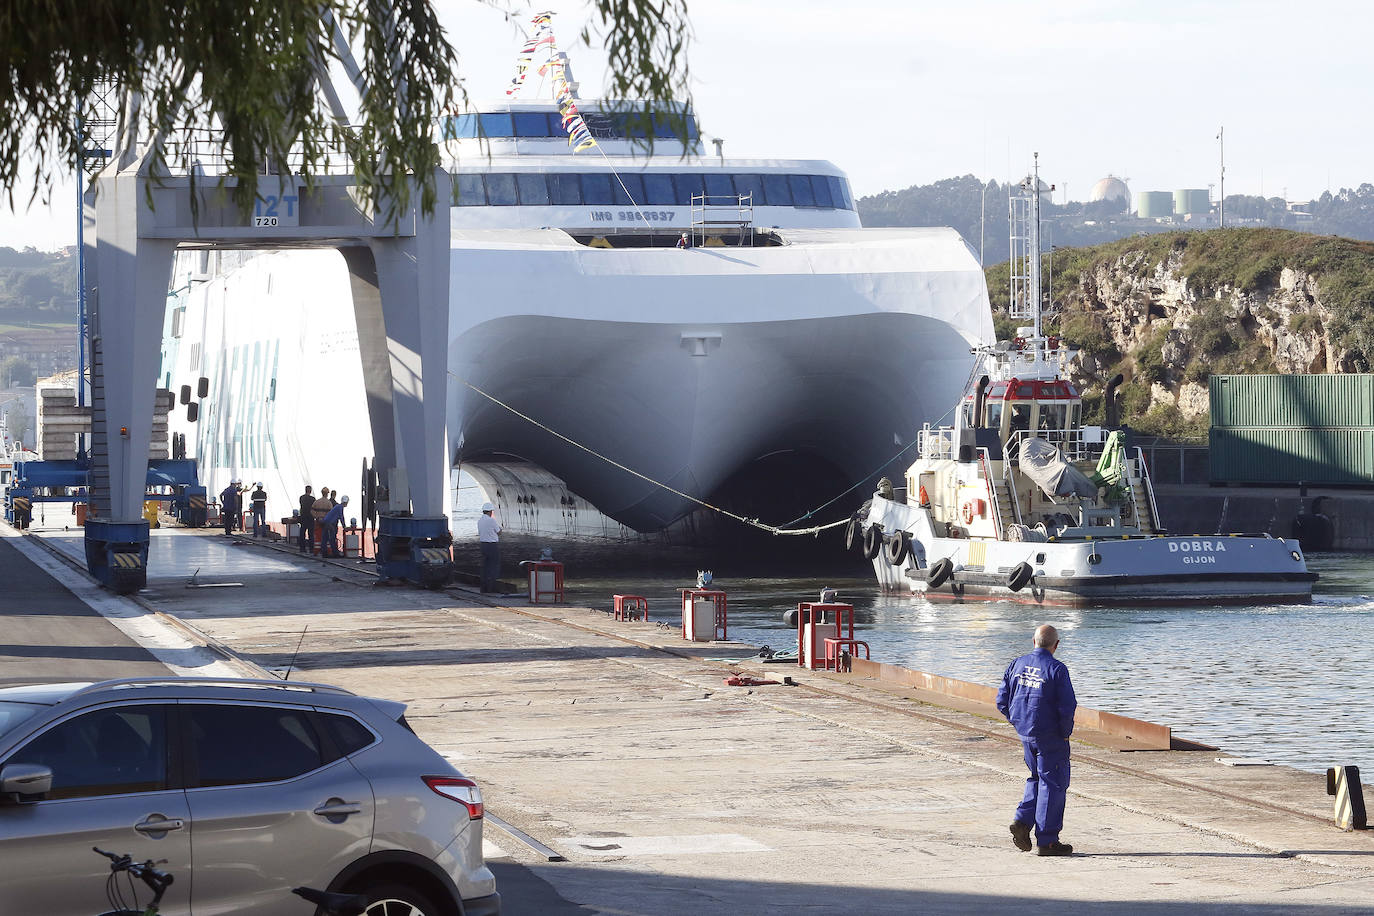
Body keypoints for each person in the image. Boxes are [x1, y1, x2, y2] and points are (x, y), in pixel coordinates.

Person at [996, 624, 1078, 857]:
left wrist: (1018, 722)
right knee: (1053, 784)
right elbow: (1067, 706)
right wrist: (1065, 732)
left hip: (1026, 735)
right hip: (1050, 736)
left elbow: (1002, 700)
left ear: (1033, 641)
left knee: (1036, 777)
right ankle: (1048, 840)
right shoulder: (1057, 669)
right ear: (1056, 645)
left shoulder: (1017, 664)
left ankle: (1023, 821)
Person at [478, 501, 501, 592]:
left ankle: (483, 588)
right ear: (490, 512)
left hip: (483, 545)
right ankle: (492, 587)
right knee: (494, 566)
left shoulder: (480, 521)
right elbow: (499, 531)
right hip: (492, 546)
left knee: (485, 567)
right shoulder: (491, 520)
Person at [311, 486, 332, 555]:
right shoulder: (329, 503)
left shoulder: (317, 502)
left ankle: (316, 551)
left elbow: (312, 511)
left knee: (317, 536)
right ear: (327, 494)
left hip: (318, 521)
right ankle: (328, 551)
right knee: (327, 537)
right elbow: (330, 513)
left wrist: (317, 517)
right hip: (326, 522)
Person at [297, 485, 314, 552]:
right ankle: (311, 549)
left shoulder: (301, 498)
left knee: (302, 533)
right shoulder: (313, 499)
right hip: (310, 517)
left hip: (303, 517)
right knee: (311, 534)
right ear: (310, 491)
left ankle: (302, 548)